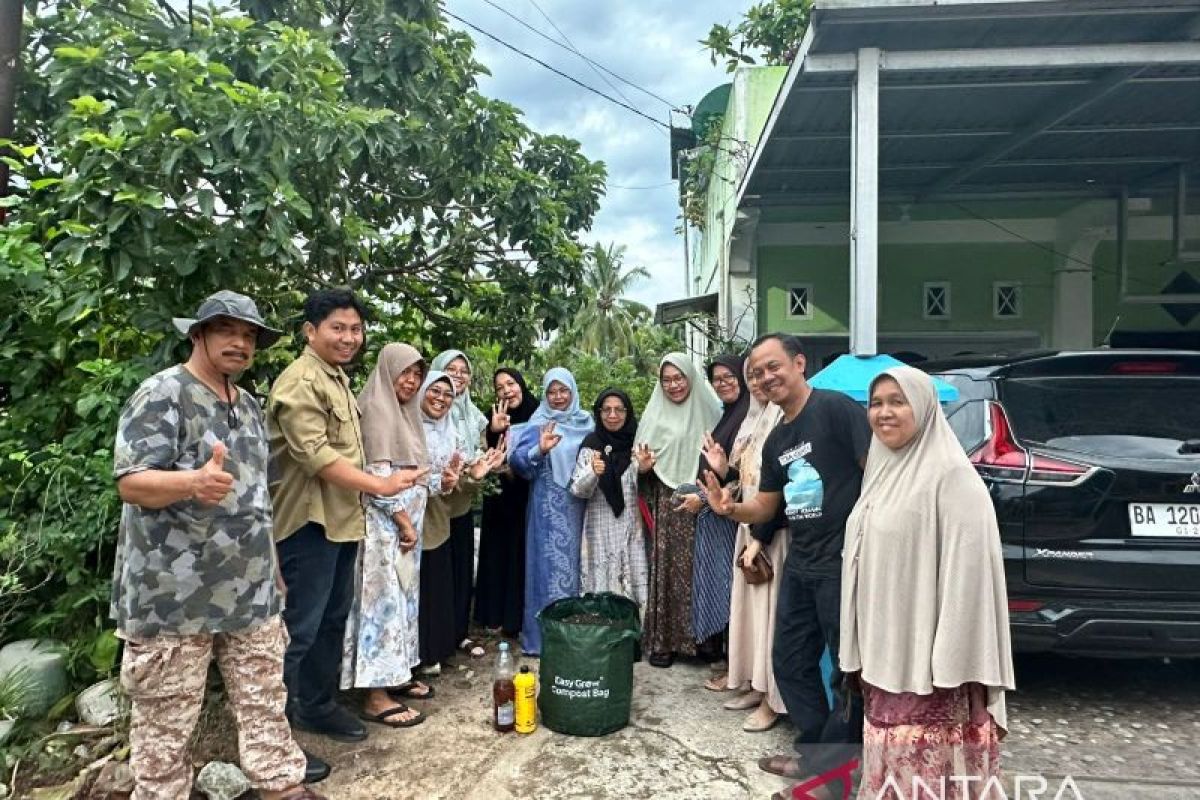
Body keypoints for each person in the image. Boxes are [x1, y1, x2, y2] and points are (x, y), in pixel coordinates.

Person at [113, 290, 323, 800]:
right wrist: (190, 484)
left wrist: (272, 571)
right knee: (164, 729)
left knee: (265, 706)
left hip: (250, 593)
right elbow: (130, 482)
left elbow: (258, 499)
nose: (240, 343)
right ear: (197, 334)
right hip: (174, 600)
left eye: (249, 335)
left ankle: (282, 789)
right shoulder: (163, 394)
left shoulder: (248, 404)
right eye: (227, 331)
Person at [703, 333, 870, 800]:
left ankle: (832, 779)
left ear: (799, 363)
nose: (764, 377)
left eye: (772, 367)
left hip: (842, 561)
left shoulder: (836, 410)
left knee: (845, 671)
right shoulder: (778, 437)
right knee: (790, 663)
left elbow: (874, 472)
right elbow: (766, 507)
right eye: (756, 372)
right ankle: (822, 759)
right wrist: (728, 508)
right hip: (802, 560)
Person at [842, 367, 1015, 797]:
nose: (884, 413)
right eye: (876, 403)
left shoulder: (952, 477)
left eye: (897, 401)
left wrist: (947, 663)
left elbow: (970, 581)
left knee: (926, 772)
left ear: (923, 407)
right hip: (886, 661)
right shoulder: (883, 472)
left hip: (931, 674)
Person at [268, 290, 425, 757]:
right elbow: (315, 456)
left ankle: (316, 706)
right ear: (310, 330)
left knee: (331, 622)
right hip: (308, 524)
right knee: (298, 630)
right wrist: (380, 487)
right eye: (338, 327)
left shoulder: (335, 379)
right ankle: (271, 737)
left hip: (341, 523)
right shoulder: (299, 382)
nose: (349, 337)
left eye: (355, 329)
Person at [342, 343, 432, 729]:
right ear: (387, 371)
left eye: (417, 374)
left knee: (401, 603)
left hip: (404, 531)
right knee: (381, 607)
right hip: (384, 530)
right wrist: (403, 520)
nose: (411, 381)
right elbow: (376, 478)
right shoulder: (378, 410)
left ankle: (396, 675)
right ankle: (375, 695)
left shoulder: (406, 415)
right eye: (405, 372)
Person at [634, 353, 722, 668]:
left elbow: (725, 458)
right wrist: (642, 468)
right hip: (669, 503)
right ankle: (665, 641)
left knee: (705, 568)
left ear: (690, 377)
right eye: (667, 379)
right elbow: (639, 465)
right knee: (669, 569)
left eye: (679, 377)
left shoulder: (712, 410)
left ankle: (705, 639)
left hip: (705, 499)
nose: (673, 385)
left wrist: (706, 491)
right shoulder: (654, 415)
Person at [418, 370, 506, 670]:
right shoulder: (409, 426)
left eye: (448, 393)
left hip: (445, 512)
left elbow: (455, 477)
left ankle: (439, 646)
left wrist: (475, 474)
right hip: (409, 517)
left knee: (443, 580)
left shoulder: (452, 428)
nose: (443, 397)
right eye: (436, 390)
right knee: (421, 583)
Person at [509, 368, 594, 656]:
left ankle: (577, 635)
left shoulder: (587, 424)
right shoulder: (538, 424)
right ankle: (543, 640)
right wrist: (539, 451)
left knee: (579, 569)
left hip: (581, 507)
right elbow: (519, 464)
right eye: (552, 392)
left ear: (573, 392)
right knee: (545, 572)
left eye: (563, 391)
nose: (558, 397)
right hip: (547, 510)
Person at [722, 363, 788, 733]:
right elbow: (743, 476)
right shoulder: (754, 420)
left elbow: (780, 487)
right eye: (752, 375)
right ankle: (752, 681)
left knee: (769, 612)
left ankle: (771, 699)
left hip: (771, 530)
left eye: (765, 373)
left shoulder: (783, 421)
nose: (758, 382)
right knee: (748, 610)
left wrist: (760, 536)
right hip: (747, 524)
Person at [690, 354, 751, 688]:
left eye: (730, 376)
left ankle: (736, 670)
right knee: (727, 590)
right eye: (717, 379)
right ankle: (733, 665)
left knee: (733, 592)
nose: (724, 383)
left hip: (735, 517)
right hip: (718, 513)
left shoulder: (746, 416)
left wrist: (701, 497)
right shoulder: (730, 415)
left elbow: (741, 476)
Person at [430, 350, 490, 658]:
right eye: (450, 369)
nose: (458, 375)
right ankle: (436, 641)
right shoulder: (429, 411)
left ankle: (459, 634)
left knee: (462, 570)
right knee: (438, 575)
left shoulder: (474, 414)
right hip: (433, 507)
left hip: (463, 502)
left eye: (463, 370)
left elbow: (480, 451)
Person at [569, 388, 649, 609]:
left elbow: (645, 489)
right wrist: (593, 472)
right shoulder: (591, 444)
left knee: (633, 579)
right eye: (606, 410)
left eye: (619, 410)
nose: (613, 415)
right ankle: (602, 635)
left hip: (632, 527)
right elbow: (578, 490)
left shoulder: (638, 443)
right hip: (599, 527)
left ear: (628, 412)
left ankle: (634, 637)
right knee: (601, 581)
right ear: (599, 413)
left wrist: (643, 470)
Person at [474, 368, 540, 637]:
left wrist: (513, 468)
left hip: (525, 496)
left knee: (518, 554)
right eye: (500, 387)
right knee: (495, 552)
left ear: (521, 384)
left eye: (511, 384)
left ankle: (516, 618)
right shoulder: (496, 418)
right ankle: (492, 614)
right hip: (498, 497)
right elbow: (489, 451)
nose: (506, 391)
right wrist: (494, 430)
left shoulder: (539, 413)